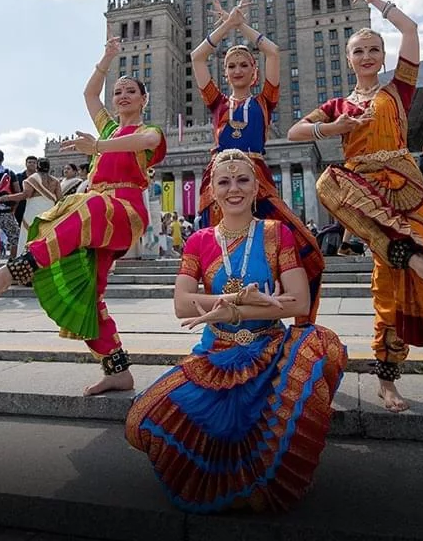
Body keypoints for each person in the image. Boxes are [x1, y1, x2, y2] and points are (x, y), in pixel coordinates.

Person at [125, 149, 346, 513]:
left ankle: (266, 476)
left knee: (324, 344)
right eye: (224, 182)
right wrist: (244, 300)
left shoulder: (278, 234)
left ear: (257, 186)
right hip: (216, 355)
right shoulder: (198, 241)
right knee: (141, 421)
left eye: (242, 180)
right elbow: (182, 304)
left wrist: (228, 309)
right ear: (211, 190)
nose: (234, 189)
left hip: (269, 351)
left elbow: (298, 303)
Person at [287, 0, 423, 413]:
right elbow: (294, 131)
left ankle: (388, 381)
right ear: (349, 60)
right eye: (358, 51)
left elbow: (411, 30)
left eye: (372, 50)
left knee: (393, 285)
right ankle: (420, 259)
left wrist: (374, 0)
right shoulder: (338, 105)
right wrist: (333, 128)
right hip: (360, 187)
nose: (366, 56)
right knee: (329, 181)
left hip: (405, 188)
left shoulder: (398, 91)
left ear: (382, 57)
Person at [0, 37, 166, 396]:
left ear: (144, 99)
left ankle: (11, 272)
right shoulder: (107, 127)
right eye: (117, 91)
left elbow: (147, 144)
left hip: (123, 210)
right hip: (96, 211)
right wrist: (106, 59)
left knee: (88, 205)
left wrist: (98, 147)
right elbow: (89, 96)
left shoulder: (148, 132)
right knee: (86, 293)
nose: (121, 96)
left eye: (130, 91)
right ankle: (117, 369)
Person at [191, 0, 326, 322]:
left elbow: (274, 52)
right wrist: (227, 26)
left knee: (305, 245)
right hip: (220, 179)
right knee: (218, 250)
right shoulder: (217, 103)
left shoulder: (265, 100)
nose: (238, 70)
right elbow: (197, 57)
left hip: (258, 178)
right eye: (231, 66)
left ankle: (300, 323)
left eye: (245, 65)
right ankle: (221, 322)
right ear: (225, 74)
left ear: (255, 73)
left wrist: (242, 26)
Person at [0, 159, 61, 255]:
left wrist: (4, 198)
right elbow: (60, 199)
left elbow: (25, 195)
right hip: (50, 211)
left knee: (29, 234)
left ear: (37, 167)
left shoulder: (32, 179)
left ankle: (26, 260)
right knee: (45, 236)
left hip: (33, 211)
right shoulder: (55, 181)